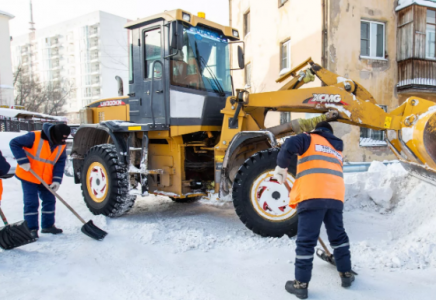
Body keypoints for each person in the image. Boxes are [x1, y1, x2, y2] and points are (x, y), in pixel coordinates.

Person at [274, 121, 354, 299]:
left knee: (306, 241)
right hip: (335, 196)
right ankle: (346, 274)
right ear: (330, 133)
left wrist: (281, 166)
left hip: (312, 195)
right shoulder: (336, 147)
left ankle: (301, 285)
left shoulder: (309, 138)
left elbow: (289, 144)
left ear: (318, 130)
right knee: (338, 237)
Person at [10, 123, 70, 240]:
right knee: (31, 203)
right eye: (60, 138)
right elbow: (14, 143)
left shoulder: (61, 145)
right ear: (54, 134)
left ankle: (48, 226)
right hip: (29, 174)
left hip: (46, 178)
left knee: (49, 201)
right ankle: (31, 229)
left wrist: (57, 180)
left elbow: (60, 162)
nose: (62, 141)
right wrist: (23, 161)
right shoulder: (35, 136)